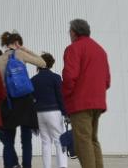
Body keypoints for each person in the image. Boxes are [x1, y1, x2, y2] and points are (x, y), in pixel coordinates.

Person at [61, 19, 109, 168]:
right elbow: (107, 80)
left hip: (80, 103)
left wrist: (66, 96)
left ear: (74, 32)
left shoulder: (74, 48)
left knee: (83, 142)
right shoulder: (100, 50)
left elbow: (69, 77)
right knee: (93, 140)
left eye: (70, 31)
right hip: (98, 102)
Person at [0, 32, 45, 168]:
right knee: (26, 140)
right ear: (17, 43)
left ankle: (10, 165)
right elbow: (43, 63)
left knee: (8, 141)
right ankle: (27, 166)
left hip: (9, 103)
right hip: (25, 102)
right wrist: (25, 49)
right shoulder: (20, 54)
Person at [31, 54, 66, 168]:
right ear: (51, 64)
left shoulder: (34, 80)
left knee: (45, 142)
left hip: (39, 114)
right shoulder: (55, 78)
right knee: (59, 141)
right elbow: (61, 97)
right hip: (54, 112)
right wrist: (66, 113)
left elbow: (32, 100)